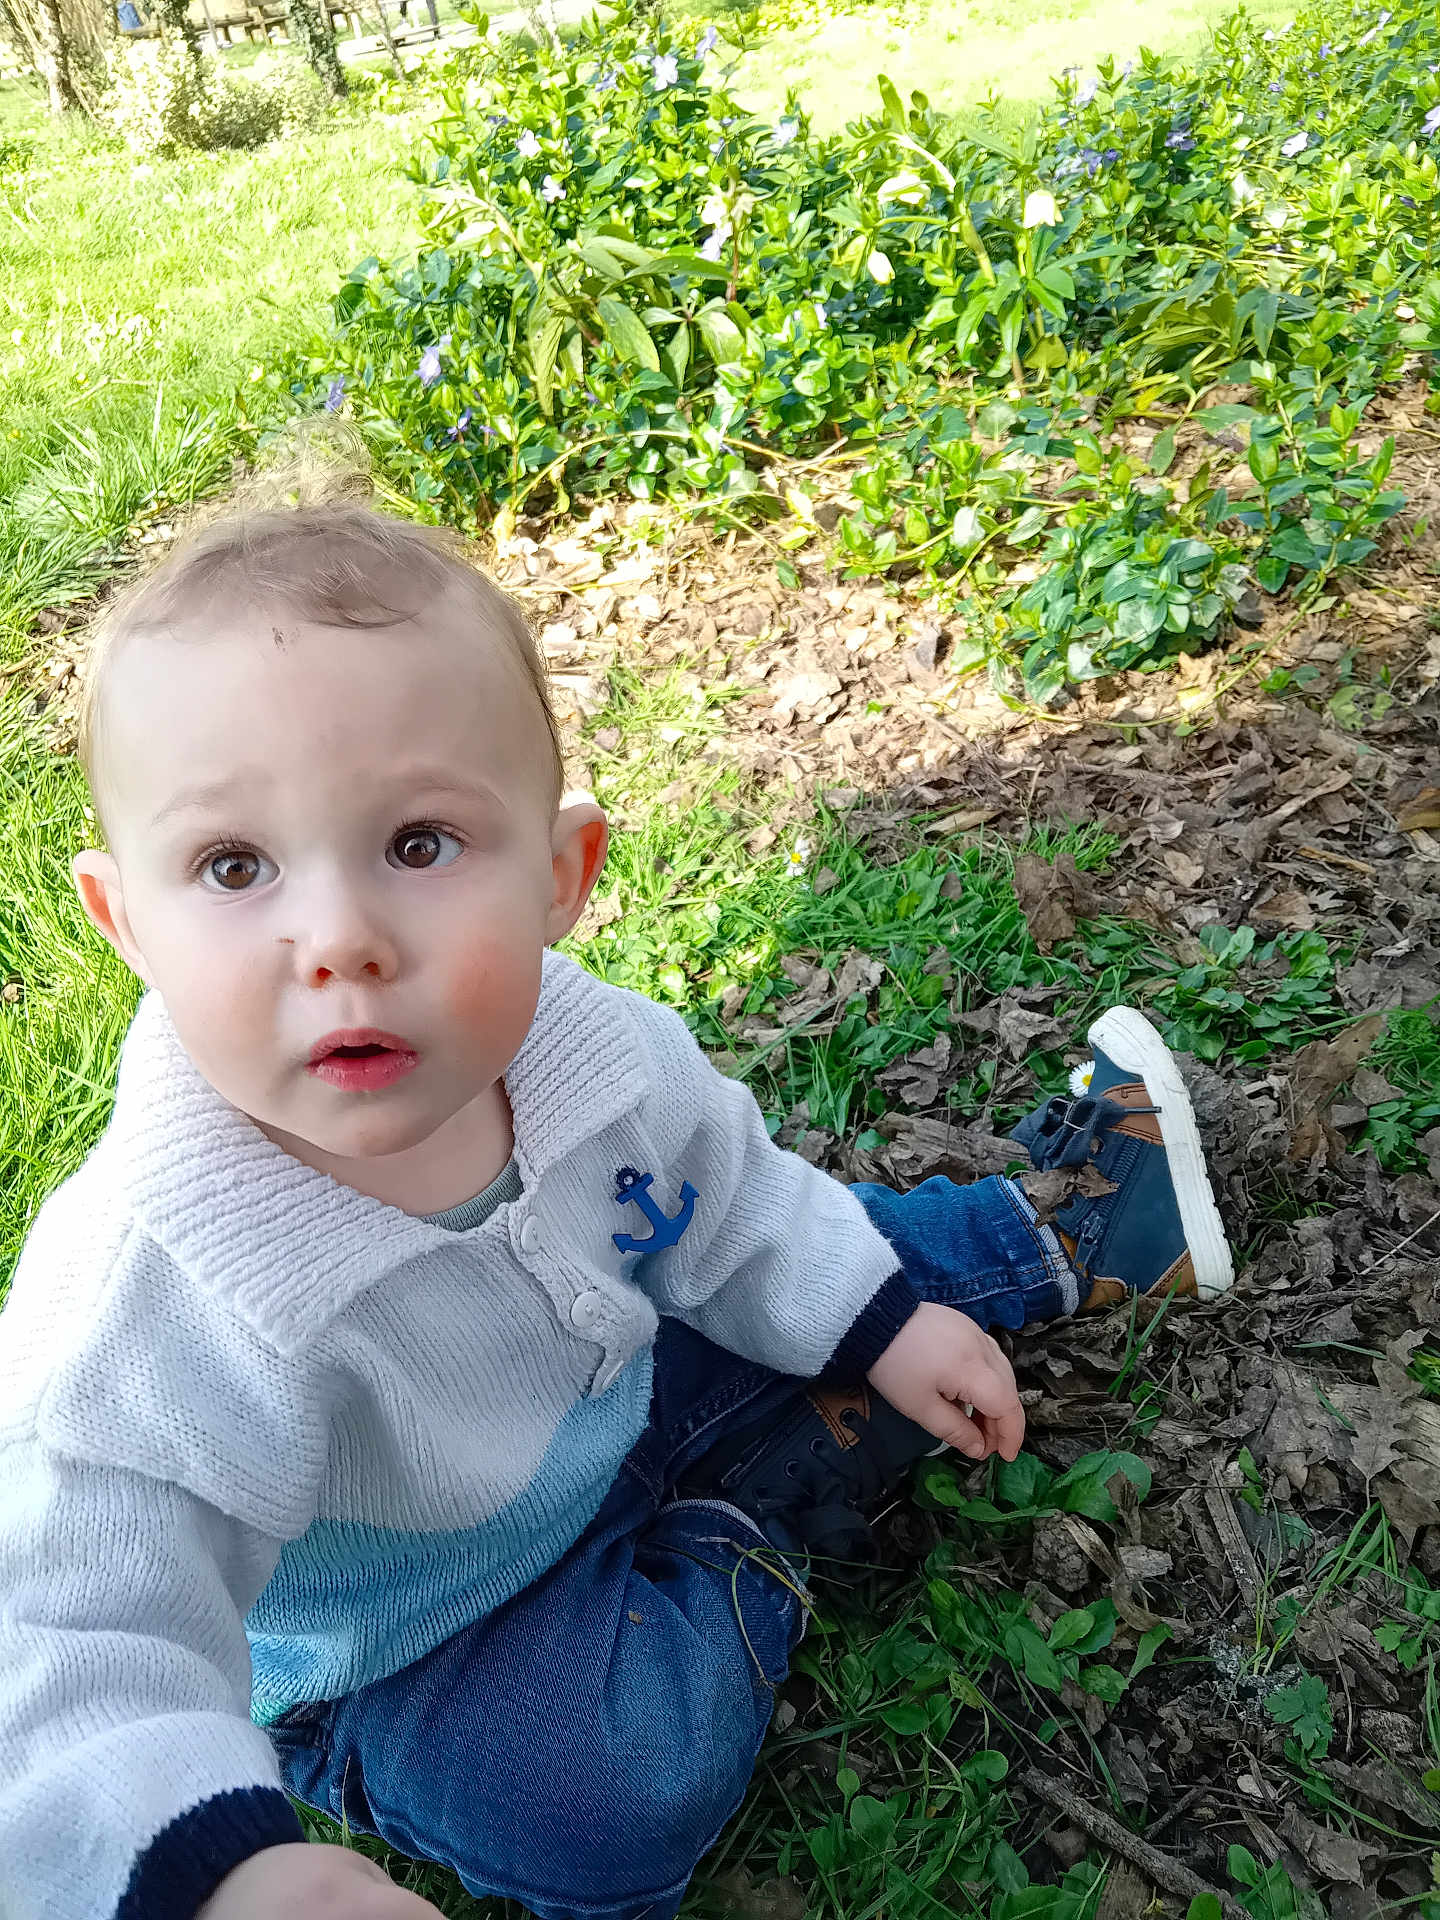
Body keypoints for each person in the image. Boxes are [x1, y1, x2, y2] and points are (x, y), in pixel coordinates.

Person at [0, 502, 1234, 1920]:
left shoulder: (594, 1057)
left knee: (816, 1253)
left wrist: (878, 1320)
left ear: (559, 876)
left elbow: (734, 1205)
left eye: (416, 843)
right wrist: (219, 1876)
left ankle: (1058, 1225)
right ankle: (760, 1502)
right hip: (403, 1635)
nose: (336, 939)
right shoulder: (150, 1305)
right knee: (608, 1794)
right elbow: (64, 1644)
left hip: (622, 1391)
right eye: (234, 866)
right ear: (126, 923)